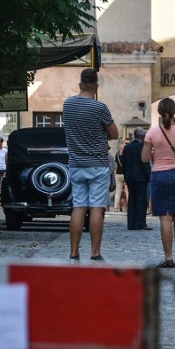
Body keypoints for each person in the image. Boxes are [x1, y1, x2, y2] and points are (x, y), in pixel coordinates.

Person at [62, 68, 118, 263]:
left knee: (78, 206)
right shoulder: (99, 108)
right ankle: (95, 253)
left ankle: (74, 252)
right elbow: (115, 133)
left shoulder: (67, 105)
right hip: (97, 164)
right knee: (96, 207)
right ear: (96, 87)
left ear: (80, 85)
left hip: (76, 163)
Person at [142, 98, 175, 268]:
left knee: (165, 218)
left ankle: (168, 257)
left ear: (160, 112)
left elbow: (145, 157)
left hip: (160, 175)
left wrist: (157, 154)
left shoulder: (152, 132)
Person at [121, 128, 152, 231]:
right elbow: (145, 163)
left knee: (132, 200)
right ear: (143, 137)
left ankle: (131, 223)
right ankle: (140, 223)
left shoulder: (127, 148)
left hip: (130, 177)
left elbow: (124, 164)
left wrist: (126, 176)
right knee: (141, 200)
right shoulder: (142, 147)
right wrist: (149, 177)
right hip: (141, 177)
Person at [113, 137, 128, 212]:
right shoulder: (127, 155)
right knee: (128, 192)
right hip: (125, 174)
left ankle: (115, 207)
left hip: (118, 174)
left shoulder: (117, 155)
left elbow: (115, 165)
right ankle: (129, 207)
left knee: (118, 192)